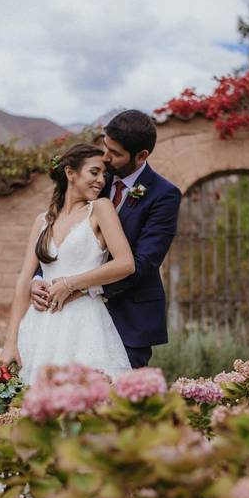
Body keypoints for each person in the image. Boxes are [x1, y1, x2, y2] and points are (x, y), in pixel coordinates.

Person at [31, 110, 182, 368]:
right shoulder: (96, 176)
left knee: (114, 401)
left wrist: (79, 287)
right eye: (105, 145)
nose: (106, 157)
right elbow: (60, 228)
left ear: (142, 155)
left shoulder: (164, 195)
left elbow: (144, 264)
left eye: (116, 153)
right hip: (66, 318)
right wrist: (38, 278)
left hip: (128, 319)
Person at [1, 143, 135, 384]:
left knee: (87, 402)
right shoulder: (42, 221)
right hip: (39, 325)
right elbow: (24, 279)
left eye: (104, 175)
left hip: (83, 322)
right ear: (70, 173)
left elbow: (125, 263)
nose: (101, 181)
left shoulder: (100, 209)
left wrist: (71, 284)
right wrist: (10, 342)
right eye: (94, 172)